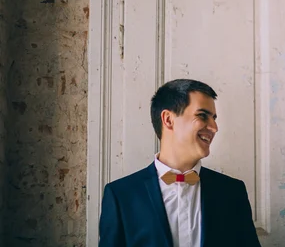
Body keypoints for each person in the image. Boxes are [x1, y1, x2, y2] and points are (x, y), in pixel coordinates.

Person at [99, 79, 261, 247]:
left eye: (214, 118)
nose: (214, 127)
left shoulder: (232, 192)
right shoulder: (121, 195)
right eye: (202, 115)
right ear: (168, 119)